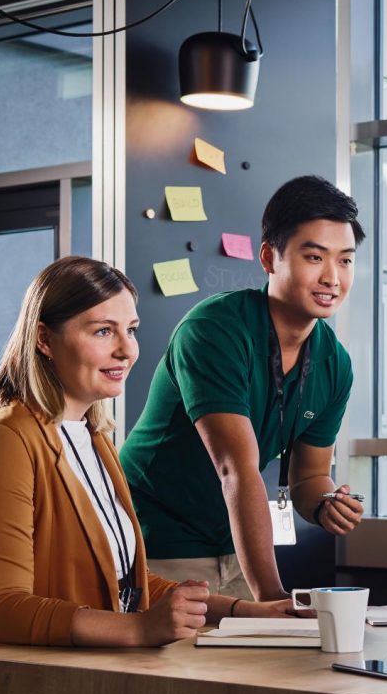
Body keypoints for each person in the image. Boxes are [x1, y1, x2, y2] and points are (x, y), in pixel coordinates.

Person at [0, 256, 297, 650]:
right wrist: (139, 629)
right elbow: (2, 609)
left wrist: (245, 610)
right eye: (102, 331)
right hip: (20, 679)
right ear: (44, 339)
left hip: (89, 667)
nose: (125, 350)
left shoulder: (94, 438)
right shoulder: (6, 439)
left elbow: (127, 584)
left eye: (130, 330)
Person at [119, 175, 366, 601]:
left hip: (237, 544)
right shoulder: (215, 330)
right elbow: (237, 468)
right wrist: (271, 597)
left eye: (345, 261)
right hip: (156, 540)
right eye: (314, 257)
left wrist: (325, 502)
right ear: (270, 258)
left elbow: (308, 476)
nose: (332, 277)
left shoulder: (335, 363)